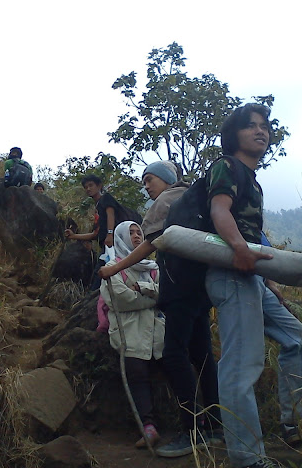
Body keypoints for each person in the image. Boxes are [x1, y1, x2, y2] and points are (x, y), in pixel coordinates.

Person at [205, 103, 302, 468]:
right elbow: (219, 211)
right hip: (230, 273)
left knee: (296, 338)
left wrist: (268, 279)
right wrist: (238, 248)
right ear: (233, 134)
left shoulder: (252, 180)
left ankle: (299, 423)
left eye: (264, 125)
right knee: (241, 364)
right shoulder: (227, 166)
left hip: (252, 276)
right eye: (250, 125)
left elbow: (255, 234)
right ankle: (247, 458)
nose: (261, 130)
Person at [99, 160, 223, 458]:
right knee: (203, 356)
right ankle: (216, 426)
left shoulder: (166, 202)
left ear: (166, 179)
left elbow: (151, 245)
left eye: (150, 179)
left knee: (174, 355)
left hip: (178, 287)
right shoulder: (194, 198)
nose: (146, 185)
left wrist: (114, 269)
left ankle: (191, 430)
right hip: (201, 287)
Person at [99, 221, 164, 449]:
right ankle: (148, 427)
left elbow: (165, 293)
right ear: (120, 238)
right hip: (130, 331)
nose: (137, 236)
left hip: (158, 332)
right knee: (137, 373)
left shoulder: (154, 267)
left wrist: (142, 289)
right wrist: (152, 296)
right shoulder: (113, 267)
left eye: (139, 233)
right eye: (131, 233)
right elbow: (119, 299)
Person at [64, 174, 119, 290]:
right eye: (86, 187)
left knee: (99, 274)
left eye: (91, 185)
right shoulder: (97, 207)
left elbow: (111, 214)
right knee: (99, 274)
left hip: (113, 245)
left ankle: (90, 300)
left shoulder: (106, 198)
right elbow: (95, 234)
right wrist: (74, 236)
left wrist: (110, 234)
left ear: (99, 186)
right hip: (107, 247)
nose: (88, 189)